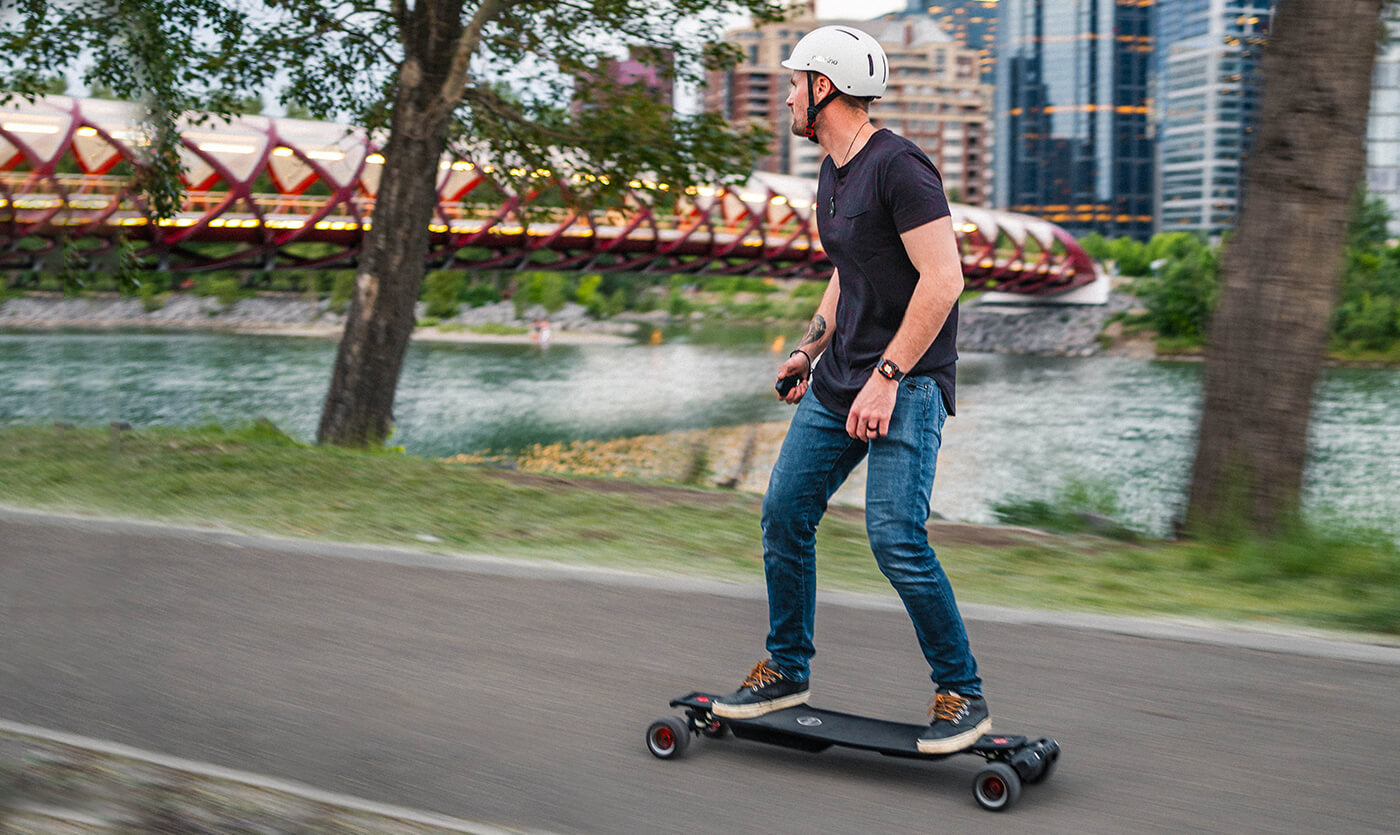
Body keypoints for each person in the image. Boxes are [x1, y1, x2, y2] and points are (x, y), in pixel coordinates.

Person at [711, 25, 989, 755]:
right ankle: (786, 669)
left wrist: (887, 378)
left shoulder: (901, 167)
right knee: (783, 514)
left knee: (895, 538)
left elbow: (945, 279)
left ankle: (962, 692)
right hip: (840, 381)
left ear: (823, 87)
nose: (786, 97)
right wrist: (809, 348)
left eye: (793, 83)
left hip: (907, 383)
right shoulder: (834, 171)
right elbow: (849, 268)